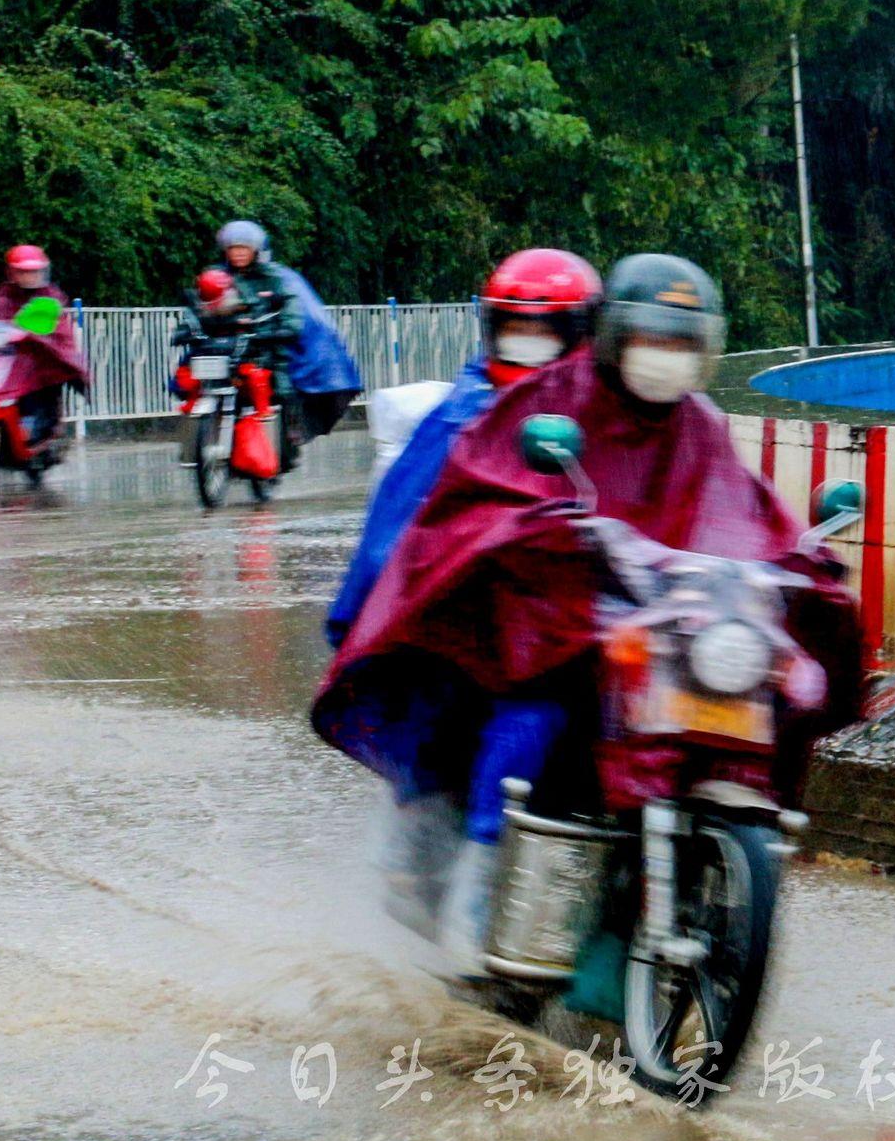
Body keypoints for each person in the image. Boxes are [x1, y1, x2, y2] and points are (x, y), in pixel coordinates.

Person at [312, 254, 862, 970]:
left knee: (763, 699)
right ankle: (481, 891)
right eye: (650, 341)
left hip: (654, 625)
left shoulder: (699, 423)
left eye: (680, 344)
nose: (663, 360)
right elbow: (481, 497)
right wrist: (541, 535)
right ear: (613, 338)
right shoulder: (543, 403)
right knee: (535, 712)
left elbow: (744, 511)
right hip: (553, 621)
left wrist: (798, 557)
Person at [324, 248, 600, 648]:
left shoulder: (614, 413)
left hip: (585, 615)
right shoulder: (461, 416)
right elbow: (387, 545)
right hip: (483, 627)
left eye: (545, 334)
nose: (527, 346)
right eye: (515, 332)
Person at [205, 218, 363, 454]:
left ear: (256, 251)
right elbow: (200, 304)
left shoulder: (277, 278)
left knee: (282, 382)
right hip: (227, 347)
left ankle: (291, 428)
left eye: (243, 248)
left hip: (265, 347)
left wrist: (285, 329)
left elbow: (294, 308)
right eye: (233, 248)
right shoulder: (217, 277)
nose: (238, 254)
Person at [0, 244, 89, 448]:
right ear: (12, 273)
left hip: (41, 359)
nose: (29, 277)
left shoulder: (49, 296)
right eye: (23, 272)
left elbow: (49, 324)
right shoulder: (5, 295)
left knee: (41, 384)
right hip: (9, 358)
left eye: (33, 272)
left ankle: (39, 428)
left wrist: (32, 336)